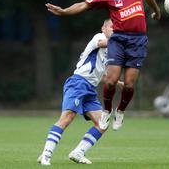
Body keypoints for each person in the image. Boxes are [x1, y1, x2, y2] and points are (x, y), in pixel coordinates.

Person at [45, 0, 161, 131]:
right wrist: (64, 11)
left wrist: (157, 12)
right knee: (111, 80)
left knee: (129, 85)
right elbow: (84, 4)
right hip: (118, 40)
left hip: (138, 41)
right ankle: (107, 110)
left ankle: (120, 111)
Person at [37, 19, 120, 166]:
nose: (114, 30)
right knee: (67, 118)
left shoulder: (109, 51)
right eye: (112, 27)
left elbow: (100, 75)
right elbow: (103, 43)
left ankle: (78, 152)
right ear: (104, 28)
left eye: (117, 29)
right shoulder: (99, 37)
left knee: (102, 123)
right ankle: (46, 155)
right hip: (78, 83)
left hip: (89, 88)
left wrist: (120, 83)